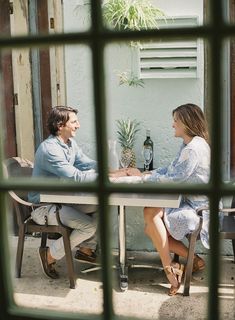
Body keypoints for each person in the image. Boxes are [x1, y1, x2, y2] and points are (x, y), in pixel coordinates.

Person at [127, 103, 210, 295]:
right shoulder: (190, 144)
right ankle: (189, 261)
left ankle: (171, 271)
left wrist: (144, 177)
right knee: (150, 214)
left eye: (175, 121)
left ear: (187, 123)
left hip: (199, 208)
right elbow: (172, 168)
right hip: (188, 200)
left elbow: (176, 178)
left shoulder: (193, 149)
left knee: (150, 219)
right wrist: (149, 173)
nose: (173, 125)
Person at [28, 106, 98, 279]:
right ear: (60, 125)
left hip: (62, 201)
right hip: (45, 206)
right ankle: (49, 255)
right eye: (74, 122)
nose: (78, 125)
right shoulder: (50, 149)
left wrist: (116, 170)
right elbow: (76, 177)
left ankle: (85, 249)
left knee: (103, 205)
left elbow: (87, 164)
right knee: (89, 226)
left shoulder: (69, 144)